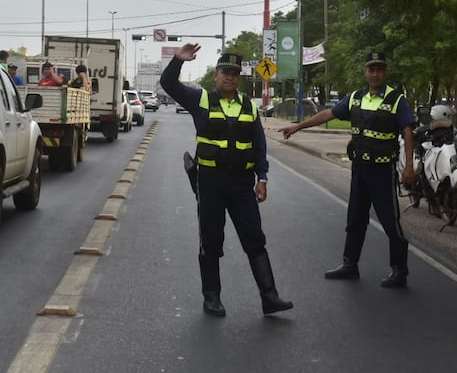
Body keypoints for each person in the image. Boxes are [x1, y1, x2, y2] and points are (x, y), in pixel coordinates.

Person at [160, 43, 293, 317]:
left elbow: (259, 144)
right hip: (210, 181)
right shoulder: (201, 99)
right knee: (211, 239)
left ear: (239, 78)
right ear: (216, 76)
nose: (229, 77)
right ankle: (212, 298)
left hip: (242, 183)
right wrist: (177, 60)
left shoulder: (249, 106)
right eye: (225, 72)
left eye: (234, 73)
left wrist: (263, 177)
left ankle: (270, 297)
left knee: (254, 238)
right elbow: (168, 84)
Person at [279, 52, 416, 288]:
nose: (375, 74)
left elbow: (407, 131)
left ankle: (399, 271)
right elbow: (328, 114)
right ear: (365, 72)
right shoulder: (356, 98)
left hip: (382, 171)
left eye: (379, 69)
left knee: (390, 221)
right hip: (359, 169)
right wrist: (298, 126)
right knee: (355, 217)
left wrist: (409, 167)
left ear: (385, 72)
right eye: (371, 69)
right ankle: (349, 265)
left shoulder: (396, 99)